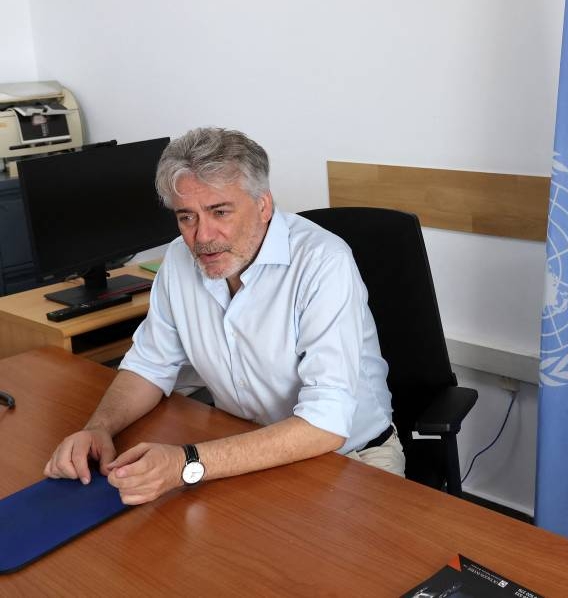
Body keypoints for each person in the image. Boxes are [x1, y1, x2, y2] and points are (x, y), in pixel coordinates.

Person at [44, 127, 404, 504]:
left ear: (263, 206)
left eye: (219, 212)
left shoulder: (323, 263)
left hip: (351, 458)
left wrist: (187, 463)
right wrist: (99, 428)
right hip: (246, 450)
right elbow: (149, 366)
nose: (202, 236)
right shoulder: (178, 261)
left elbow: (325, 424)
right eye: (187, 217)